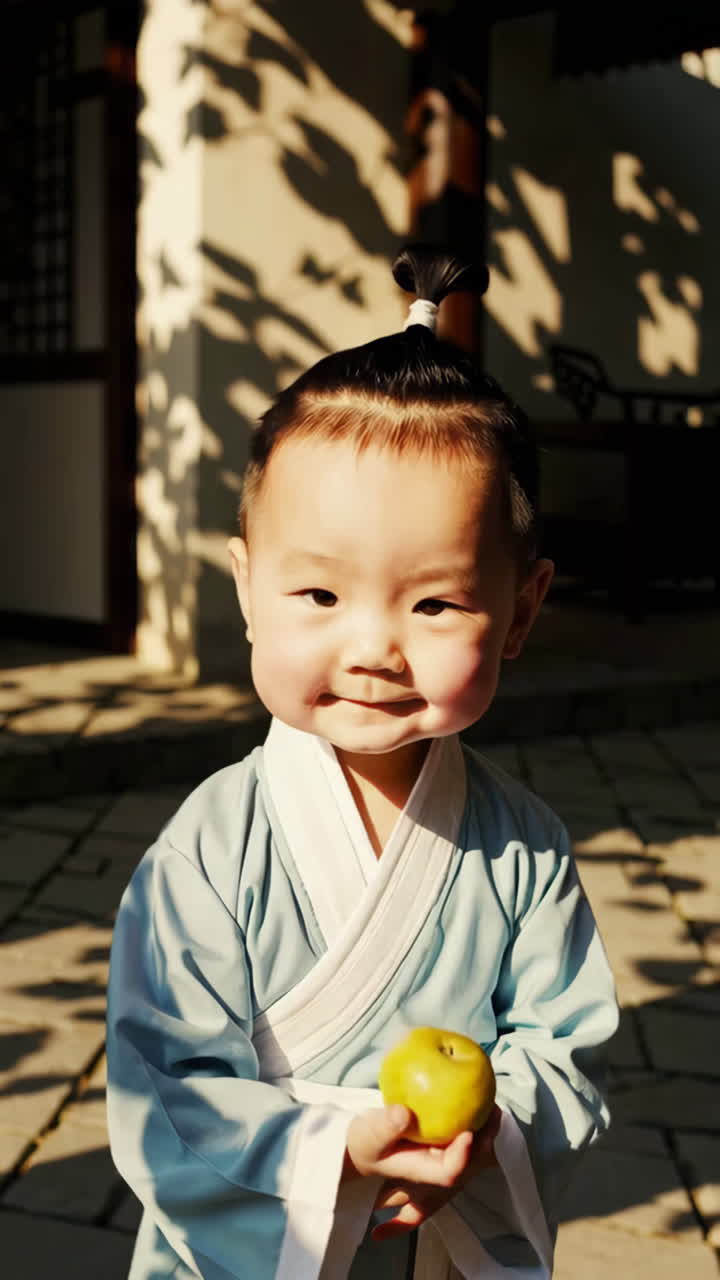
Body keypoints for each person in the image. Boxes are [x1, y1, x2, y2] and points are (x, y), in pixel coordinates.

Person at [106, 245, 618, 1280]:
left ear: (522, 608)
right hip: (253, 1249)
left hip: (444, 1241)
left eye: (435, 601)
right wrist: (330, 1149)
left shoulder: (524, 847)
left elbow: (566, 1049)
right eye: (320, 596)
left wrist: (481, 1137)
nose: (376, 646)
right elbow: (163, 1080)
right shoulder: (208, 848)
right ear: (247, 584)